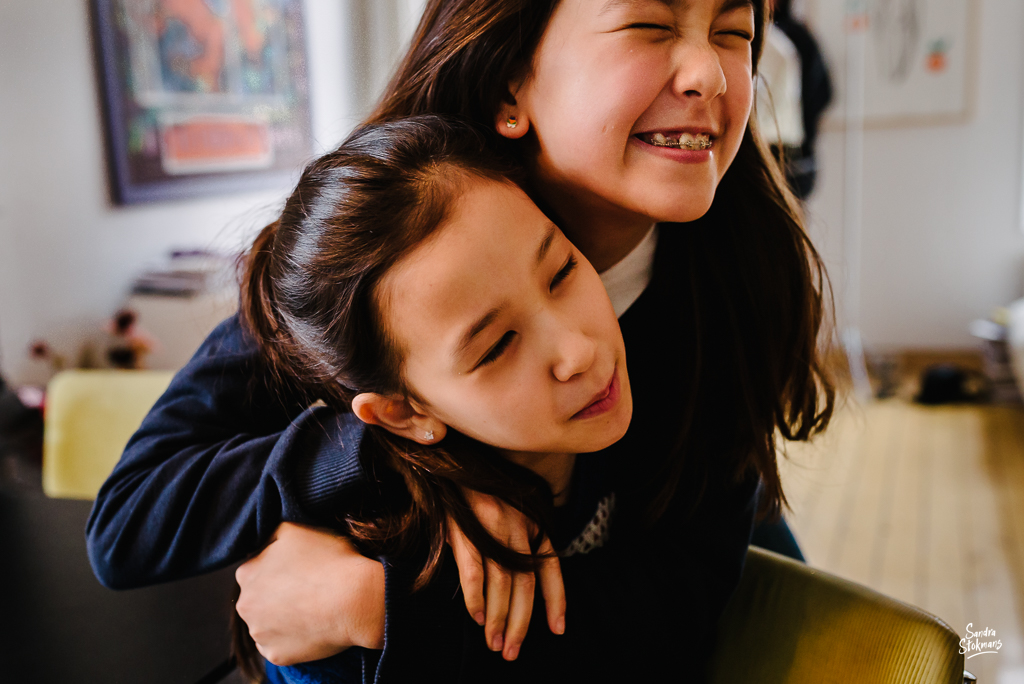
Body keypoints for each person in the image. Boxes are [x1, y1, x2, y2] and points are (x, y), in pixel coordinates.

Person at [86, 0, 835, 670]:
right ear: (510, 81)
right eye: (649, 23)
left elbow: (666, 620)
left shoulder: (737, 289)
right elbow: (129, 523)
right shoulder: (390, 254)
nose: (710, 71)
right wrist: (406, 459)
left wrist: (380, 610)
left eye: (733, 31)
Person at [233, 114, 638, 682]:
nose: (578, 352)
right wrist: (380, 610)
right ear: (405, 412)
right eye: (497, 347)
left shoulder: (652, 414)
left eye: (562, 271)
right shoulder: (357, 585)